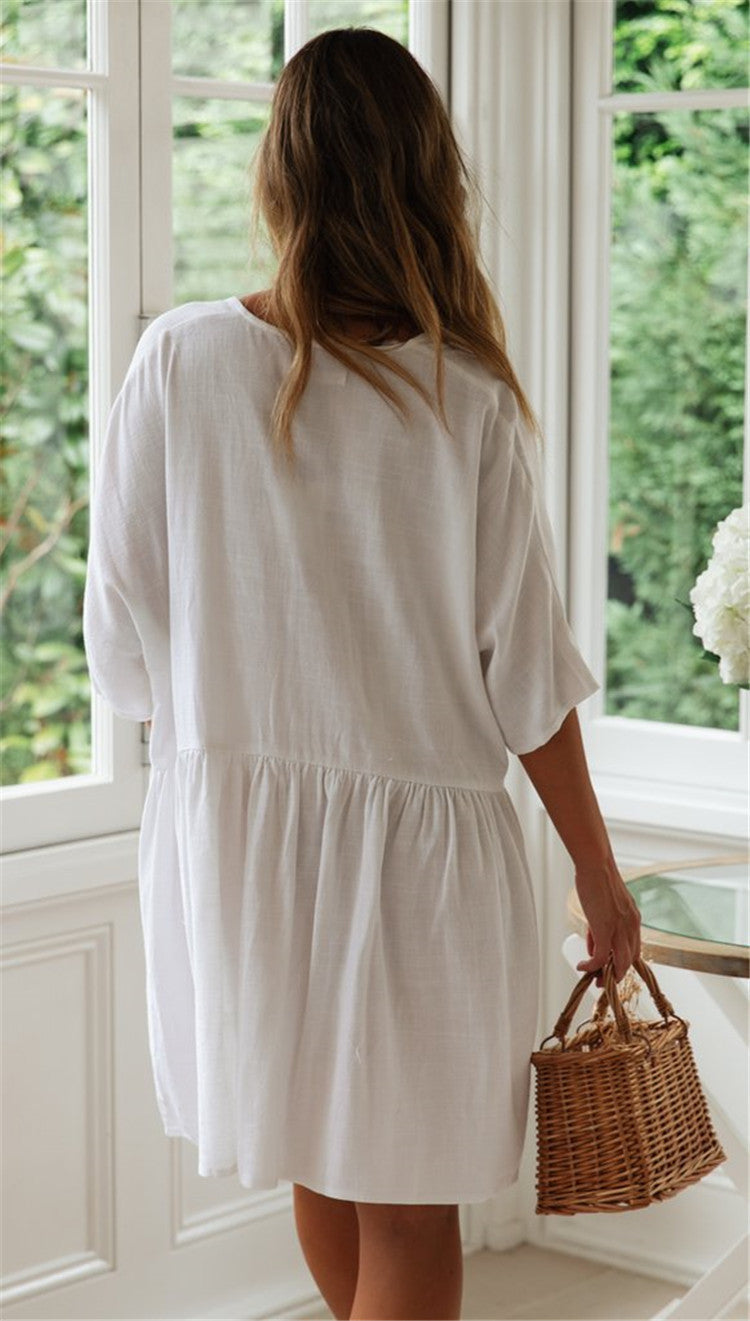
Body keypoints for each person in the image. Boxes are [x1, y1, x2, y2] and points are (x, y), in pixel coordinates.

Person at [83, 26, 642, 1321]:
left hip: (233, 841)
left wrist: (224, 723)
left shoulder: (180, 359)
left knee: (322, 1162)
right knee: (404, 1200)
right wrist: (597, 873)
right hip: (417, 865)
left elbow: (121, 626)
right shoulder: (464, 396)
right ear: (426, 178)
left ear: (279, 174)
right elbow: (524, 680)